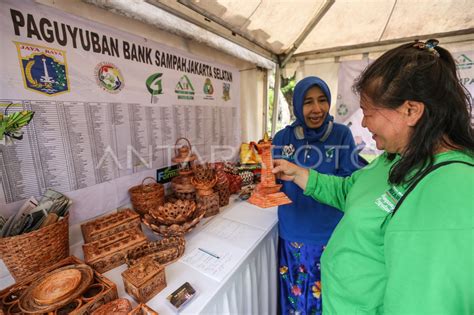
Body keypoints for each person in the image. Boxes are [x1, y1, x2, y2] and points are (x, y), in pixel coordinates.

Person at [272, 39, 474, 314]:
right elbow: (350, 191)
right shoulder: (396, 157)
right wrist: (299, 173)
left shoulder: (449, 192)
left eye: (368, 113)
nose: (364, 123)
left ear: (411, 111)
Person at [272, 76, 360, 314]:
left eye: (322, 100)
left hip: (328, 235)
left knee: (327, 300)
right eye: (308, 102)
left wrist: (307, 176)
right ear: (298, 106)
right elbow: (272, 180)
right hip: (293, 234)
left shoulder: (341, 135)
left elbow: (351, 185)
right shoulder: (283, 138)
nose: (317, 109)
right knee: (295, 300)